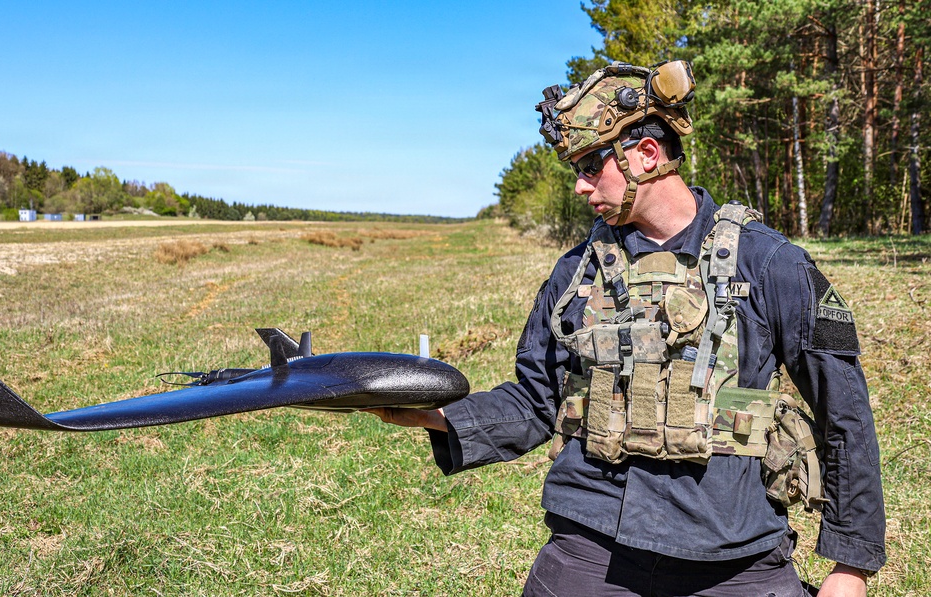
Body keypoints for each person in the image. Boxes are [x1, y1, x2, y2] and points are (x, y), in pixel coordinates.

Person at [368, 61, 885, 596]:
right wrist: (436, 416)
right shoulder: (578, 272)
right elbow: (535, 401)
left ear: (646, 154)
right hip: (593, 547)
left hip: (735, 554)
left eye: (592, 165)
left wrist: (850, 569)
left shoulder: (770, 263)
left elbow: (844, 414)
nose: (578, 184)